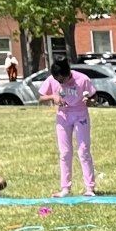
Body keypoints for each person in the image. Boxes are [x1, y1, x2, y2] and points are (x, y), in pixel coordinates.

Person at [39, 58, 97, 196]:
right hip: (63, 117)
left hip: (80, 115)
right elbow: (41, 98)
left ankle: (90, 188)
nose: (60, 83)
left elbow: (94, 98)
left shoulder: (82, 79)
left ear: (68, 73)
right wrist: (53, 97)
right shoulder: (52, 80)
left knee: (83, 151)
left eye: (62, 80)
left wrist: (89, 101)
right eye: (57, 80)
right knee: (65, 153)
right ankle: (65, 188)